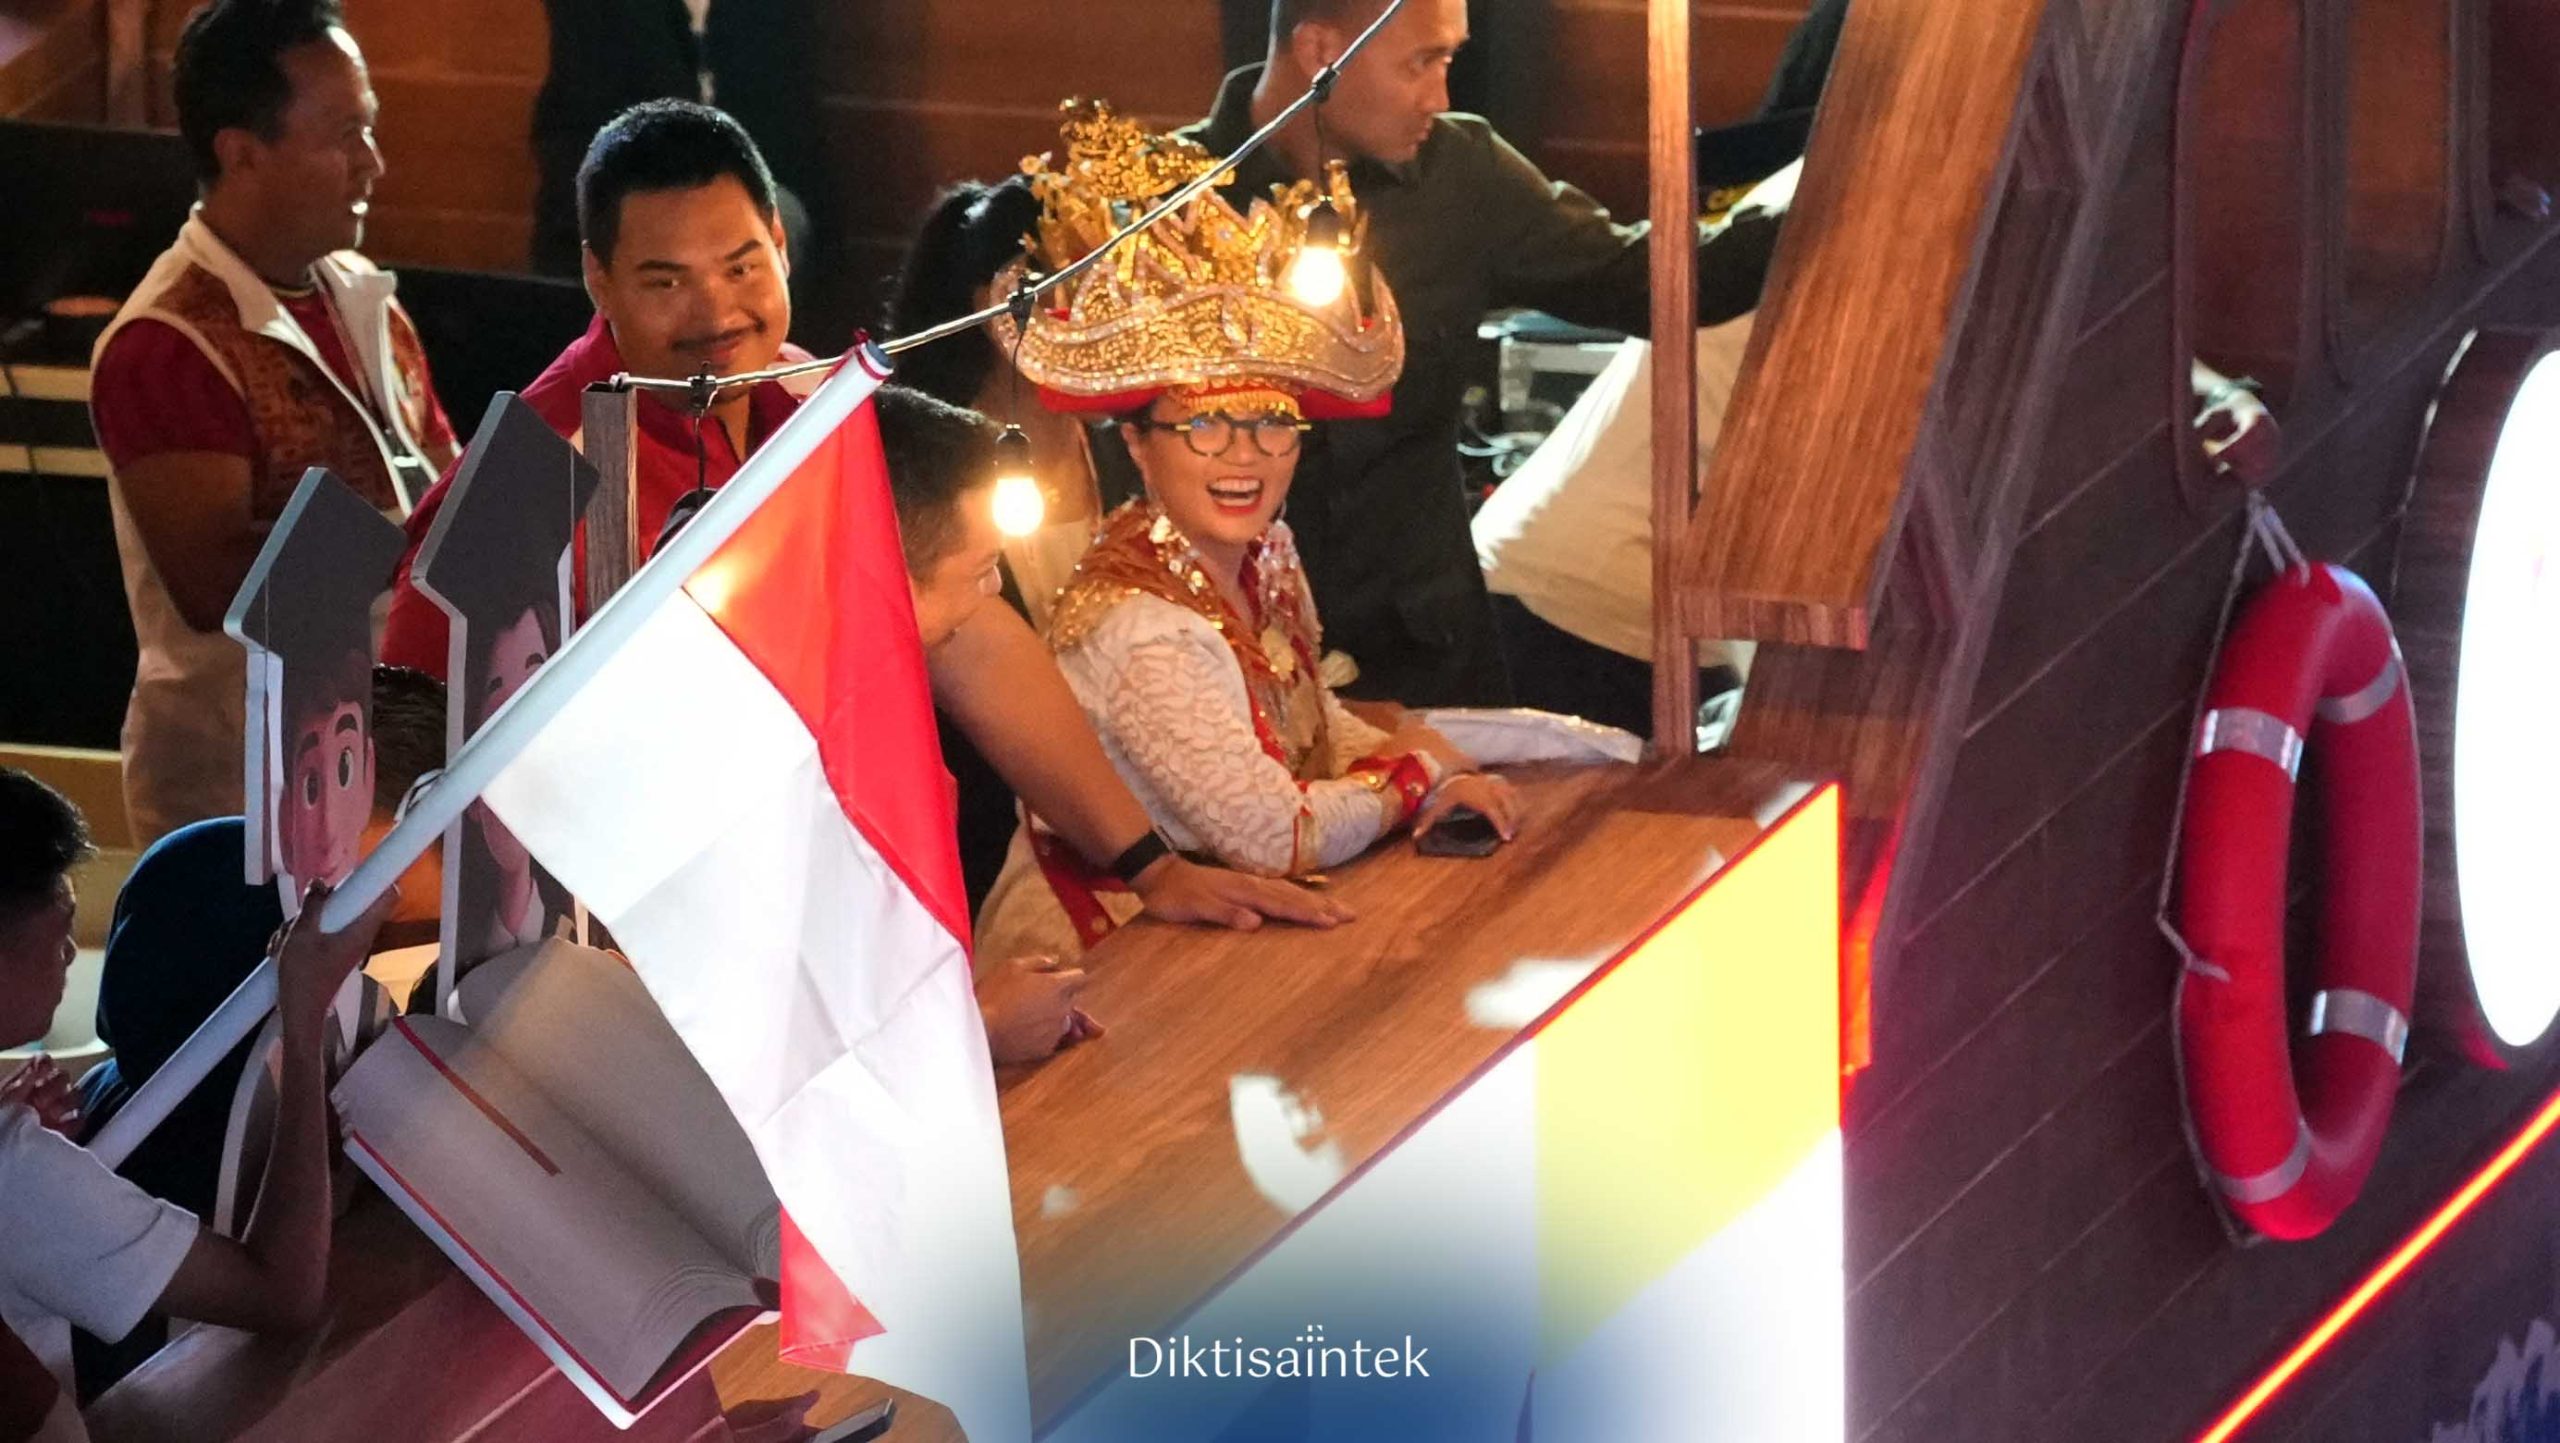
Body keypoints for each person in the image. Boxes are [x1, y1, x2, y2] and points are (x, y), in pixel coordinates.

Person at [380, 100, 1348, 944]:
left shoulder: (803, 393)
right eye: (664, 282)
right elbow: (416, 778)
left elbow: (964, 630)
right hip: (630, 944)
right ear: (598, 280)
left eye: (741, 265)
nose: (716, 313)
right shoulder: (533, 478)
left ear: (779, 241)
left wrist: (1150, 864)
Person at [973, 105, 1519, 965]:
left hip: (1222, 931)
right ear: (1138, 444)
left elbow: (1310, 721)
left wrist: (1427, 767)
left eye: (1272, 423)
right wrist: (1412, 773)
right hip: (1102, 955)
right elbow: (1275, 834)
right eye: (1205, 425)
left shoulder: (1267, 553)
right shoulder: (1142, 624)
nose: (1246, 454)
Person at [1163, 0, 1787, 709]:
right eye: (1420, 63)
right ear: (1318, 51)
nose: (1440, 96)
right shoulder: (1166, 201)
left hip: (1427, 655)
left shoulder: (1462, 174)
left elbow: (1653, 284)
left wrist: (1826, 194)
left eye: (1450, 60)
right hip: (1226, 659)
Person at [88, 0, 459, 850]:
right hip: (246, 796)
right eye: (343, 136)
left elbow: (441, 473)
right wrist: (417, 537)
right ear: (241, 152)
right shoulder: (165, 343)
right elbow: (217, 584)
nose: (373, 162)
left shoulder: (359, 294)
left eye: (370, 129)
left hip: (390, 762)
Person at [0, 769, 392, 1427]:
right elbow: (283, 1295)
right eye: (61, 924)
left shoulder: (47, 1132)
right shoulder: (23, 1171)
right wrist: (303, 1029)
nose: (70, 951)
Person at [871, 385, 1102, 1065]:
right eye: (981, 569)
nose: (995, 591)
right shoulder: (807, 757)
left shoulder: (882, 708)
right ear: (888, 571)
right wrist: (983, 1028)